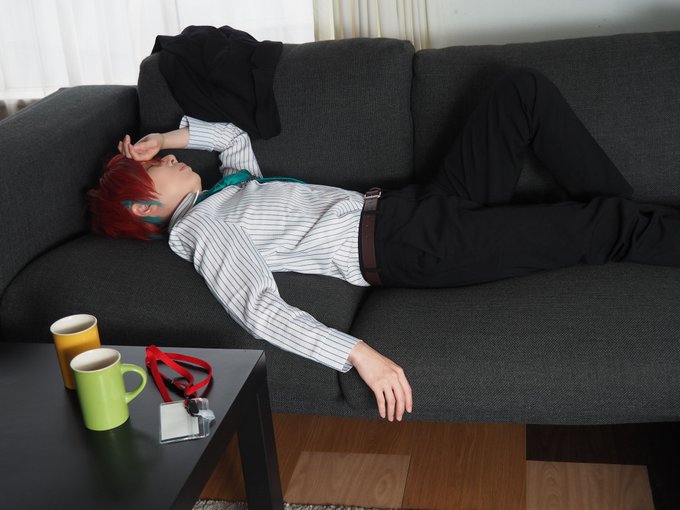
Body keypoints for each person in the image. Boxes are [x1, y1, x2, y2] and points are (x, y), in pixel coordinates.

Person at [87, 68, 680, 422]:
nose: (168, 160)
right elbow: (259, 309)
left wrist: (163, 137)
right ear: (144, 206)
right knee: (600, 227)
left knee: (520, 91)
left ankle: (636, 221)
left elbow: (233, 137)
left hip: (417, 205)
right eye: (157, 167)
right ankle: (635, 225)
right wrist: (359, 355)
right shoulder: (200, 228)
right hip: (416, 245)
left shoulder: (229, 189)